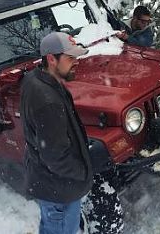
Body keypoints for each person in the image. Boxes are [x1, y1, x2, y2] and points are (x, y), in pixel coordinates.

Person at [20, 31, 93, 234]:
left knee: (52, 227)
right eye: (70, 58)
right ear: (51, 59)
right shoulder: (47, 101)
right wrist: (84, 171)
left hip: (48, 183)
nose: (76, 62)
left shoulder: (35, 79)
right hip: (59, 190)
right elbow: (55, 157)